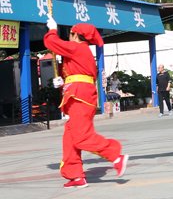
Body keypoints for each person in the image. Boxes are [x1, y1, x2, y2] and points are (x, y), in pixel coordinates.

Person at [44, 18, 128, 188]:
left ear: (75, 35)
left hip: (79, 97)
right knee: (70, 137)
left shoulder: (77, 48)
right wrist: (62, 81)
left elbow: (51, 42)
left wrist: (52, 30)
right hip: (78, 94)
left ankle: (115, 156)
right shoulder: (80, 51)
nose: (68, 37)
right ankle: (76, 175)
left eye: (70, 34)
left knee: (81, 136)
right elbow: (76, 74)